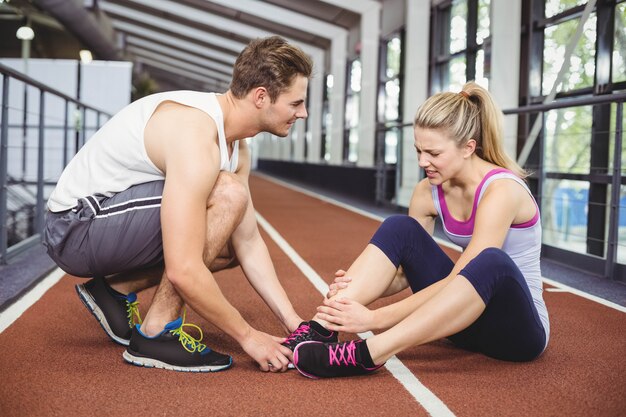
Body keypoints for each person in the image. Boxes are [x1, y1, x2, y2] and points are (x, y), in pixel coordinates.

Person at [43, 35, 323, 373]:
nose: (303, 113)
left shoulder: (239, 147)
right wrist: (249, 336)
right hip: (74, 228)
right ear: (261, 96)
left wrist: (295, 324)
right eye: (296, 103)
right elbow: (183, 269)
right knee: (228, 195)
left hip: (107, 222)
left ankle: (114, 291)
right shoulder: (195, 133)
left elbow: (248, 242)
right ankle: (156, 333)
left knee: (230, 242)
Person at [284, 81, 550, 378]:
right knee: (400, 227)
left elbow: (464, 275)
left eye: (434, 153)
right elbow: (403, 275)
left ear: (468, 148)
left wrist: (374, 318)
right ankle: (323, 327)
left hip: (516, 333)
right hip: (460, 323)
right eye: (419, 150)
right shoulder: (428, 191)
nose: (423, 162)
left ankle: (368, 353)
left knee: (490, 261)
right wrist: (349, 296)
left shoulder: (501, 190)